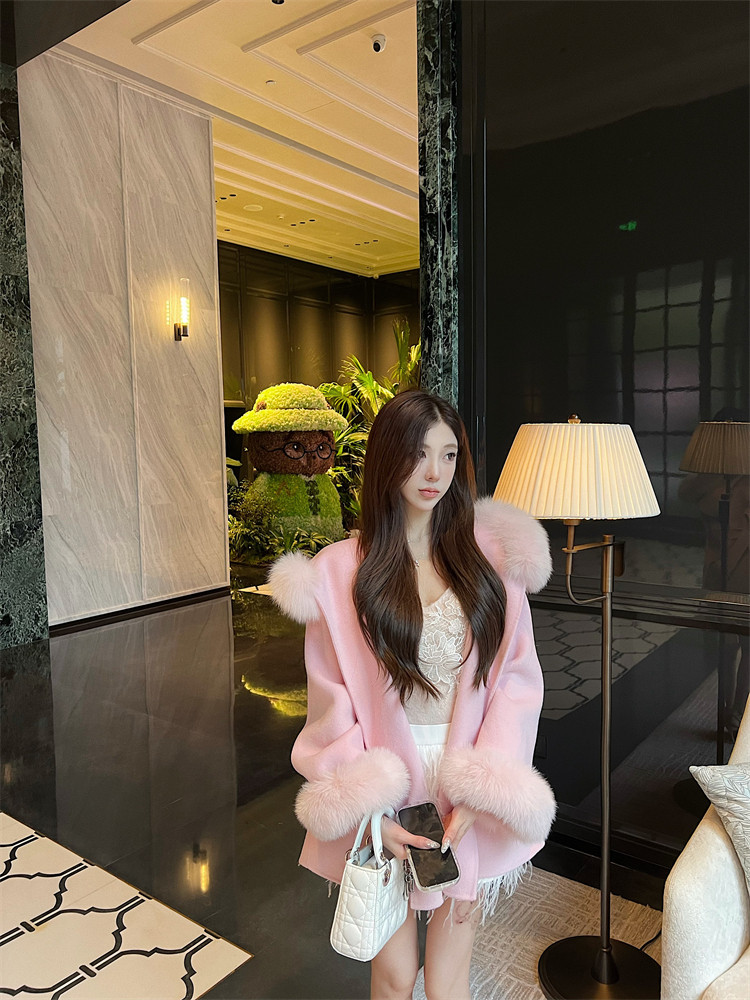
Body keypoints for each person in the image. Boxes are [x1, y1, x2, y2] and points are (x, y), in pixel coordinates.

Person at [270, 390, 556, 1000]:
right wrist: (372, 812)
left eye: (448, 455)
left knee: (448, 978)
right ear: (387, 457)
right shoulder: (338, 573)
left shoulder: (490, 562)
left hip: (465, 778)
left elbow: (515, 680)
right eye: (418, 453)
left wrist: (483, 790)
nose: (434, 472)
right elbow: (332, 700)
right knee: (395, 975)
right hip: (389, 781)